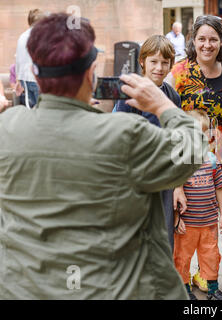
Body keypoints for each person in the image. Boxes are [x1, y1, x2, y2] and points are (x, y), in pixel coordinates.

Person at [0, 13, 208, 299]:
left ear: (36, 75)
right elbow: (192, 151)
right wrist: (164, 106)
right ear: (91, 73)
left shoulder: (7, 128)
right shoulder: (124, 134)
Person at [166, 15, 222, 289]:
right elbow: (168, 114)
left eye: (213, 39)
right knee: (185, 218)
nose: (207, 45)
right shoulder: (180, 71)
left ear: (221, 41)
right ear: (193, 41)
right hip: (186, 154)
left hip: (219, 153)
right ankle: (181, 276)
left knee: (211, 218)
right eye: (202, 39)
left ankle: (205, 273)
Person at [113, 35, 181, 250]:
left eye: (164, 62)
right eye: (153, 61)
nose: (159, 67)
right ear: (142, 61)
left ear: (171, 64)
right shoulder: (130, 92)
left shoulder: (173, 96)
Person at [173, 109, 222, 301]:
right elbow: (174, 194)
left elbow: (220, 187)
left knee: (211, 257)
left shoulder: (212, 160)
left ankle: (213, 288)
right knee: (182, 258)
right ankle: (184, 288)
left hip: (209, 222)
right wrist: (176, 219)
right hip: (187, 224)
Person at [15, 8, 45, 108]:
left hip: (25, 79)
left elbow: (18, 59)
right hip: (37, 79)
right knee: (42, 110)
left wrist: (18, 79)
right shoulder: (40, 36)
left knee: (32, 109)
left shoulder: (22, 36)